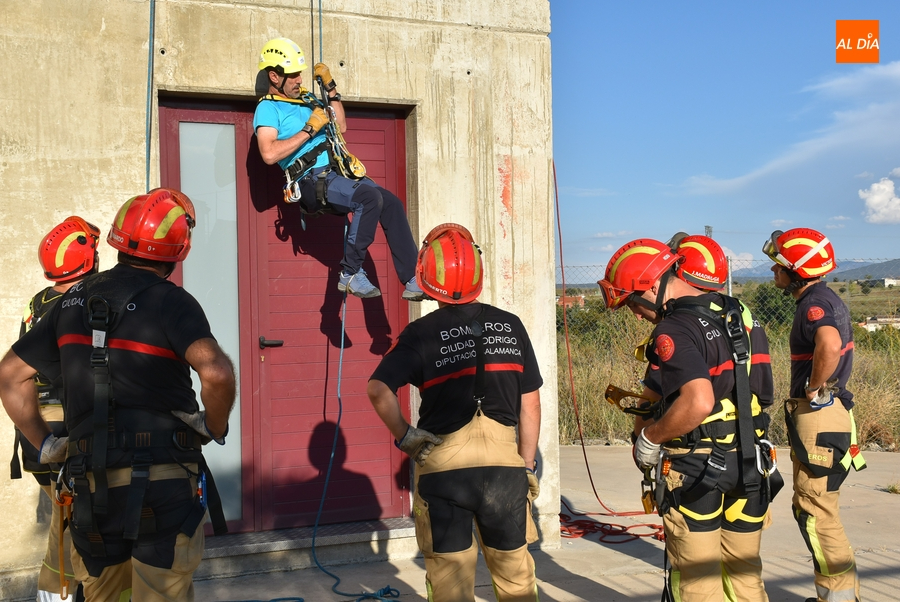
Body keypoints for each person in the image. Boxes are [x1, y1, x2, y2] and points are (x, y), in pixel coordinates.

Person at [0, 188, 236, 601]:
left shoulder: (69, 301)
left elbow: (10, 375)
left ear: (116, 239)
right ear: (180, 248)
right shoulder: (172, 301)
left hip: (91, 489)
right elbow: (215, 373)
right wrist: (212, 425)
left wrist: (47, 443)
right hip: (164, 484)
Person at [367, 224, 542, 602]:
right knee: (517, 584)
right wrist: (526, 466)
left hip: (443, 473)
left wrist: (406, 436)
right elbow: (531, 403)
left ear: (427, 277)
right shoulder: (511, 327)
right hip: (505, 472)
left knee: (450, 588)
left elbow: (378, 389)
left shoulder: (420, 334)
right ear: (478, 274)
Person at [599, 238, 778, 602]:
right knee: (745, 578)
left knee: (697, 584)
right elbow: (763, 390)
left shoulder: (673, 329)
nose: (635, 313)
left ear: (652, 285)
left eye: (633, 301)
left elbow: (697, 402)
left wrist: (649, 438)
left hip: (699, 468)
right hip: (751, 462)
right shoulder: (740, 312)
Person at [253, 37, 424, 301]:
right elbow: (269, 153)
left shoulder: (308, 100)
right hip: (310, 180)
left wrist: (331, 88)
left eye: (301, 74)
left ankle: (412, 279)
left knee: (391, 203)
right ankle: (350, 273)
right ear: (274, 76)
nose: (300, 80)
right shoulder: (268, 107)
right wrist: (310, 129)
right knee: (369, 198)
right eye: (294, 75)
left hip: (337, 173)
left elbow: (341, 126)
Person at [764, 228, 865, 602]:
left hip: (820, 416)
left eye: (779, 267)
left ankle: (837, 598)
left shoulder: (814, 304)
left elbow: (830, 344)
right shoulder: (823, 298)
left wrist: (814, 388)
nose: (773, 272)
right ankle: (837, 595)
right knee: (818, 509)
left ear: (798, 271)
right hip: (828, 417)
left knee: (814, 512)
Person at [11, 217, 100, 601]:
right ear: (90, 260)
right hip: (68, 432)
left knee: (63, 524)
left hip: (35, 438)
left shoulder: (37, 303)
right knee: (73, 533)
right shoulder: (88, 304)